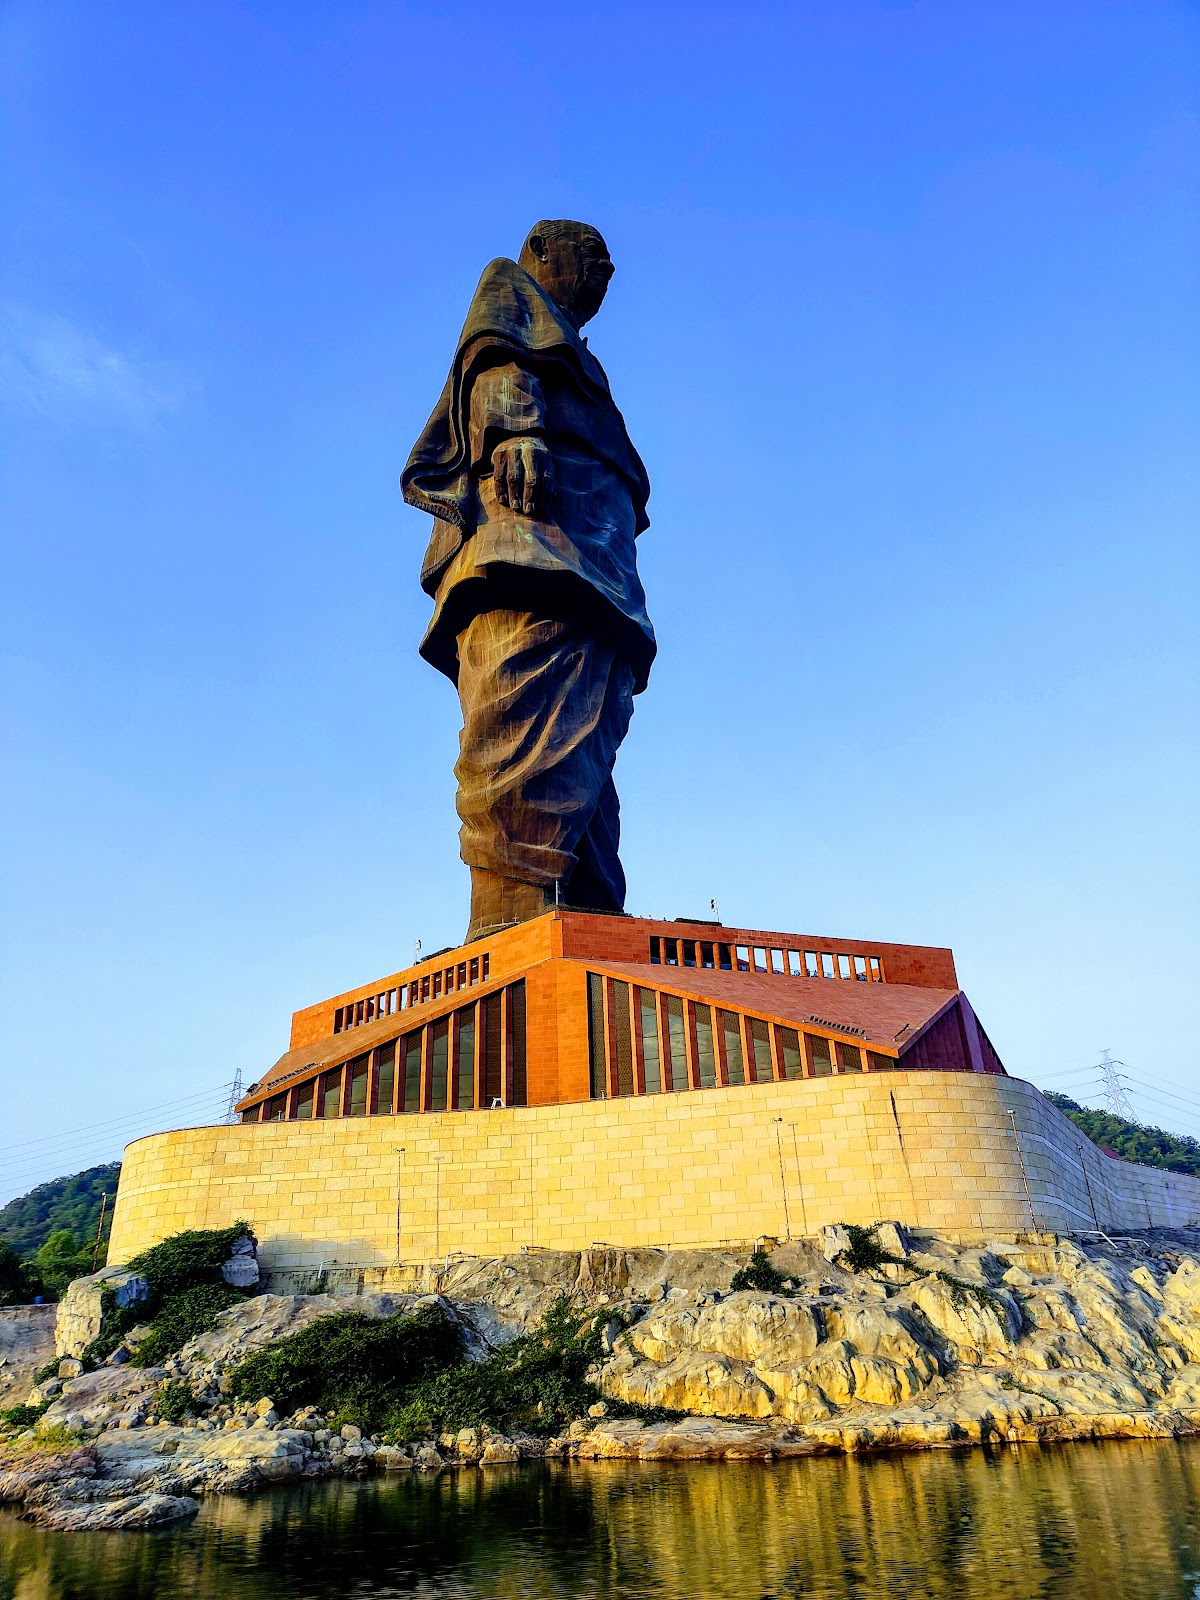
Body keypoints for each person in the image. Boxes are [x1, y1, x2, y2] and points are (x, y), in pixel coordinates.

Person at [403, 220, 656, 940]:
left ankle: (587, 904)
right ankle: (514, 902)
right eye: (591, 254)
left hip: (595, 554)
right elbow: (494, 358)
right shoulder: (511, 293)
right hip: (532, 538)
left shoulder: (579, 352)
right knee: (520, 702)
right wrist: (514, 431)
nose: (605, 270)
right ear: (542, 251)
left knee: (590, 735)